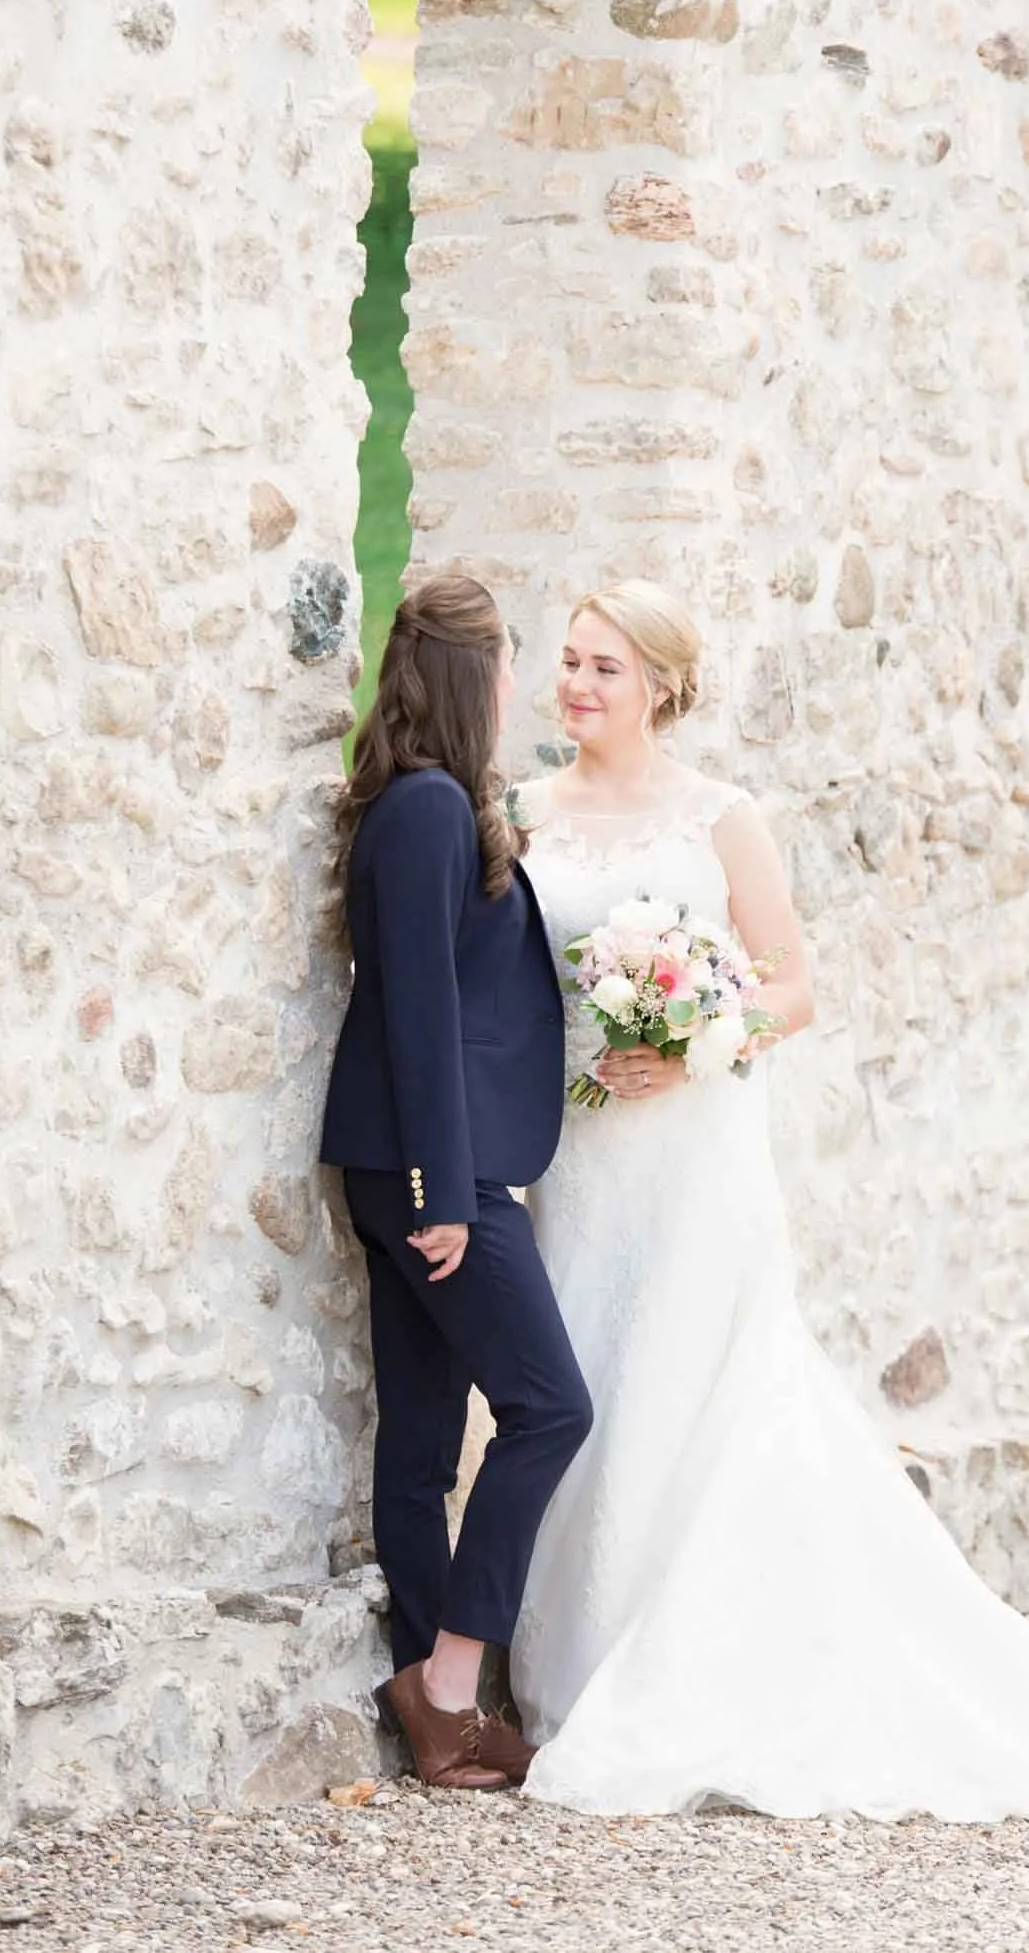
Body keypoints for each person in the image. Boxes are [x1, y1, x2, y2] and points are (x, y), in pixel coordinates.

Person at [508, 578, 1029, 1820]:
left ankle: (692, 1672)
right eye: (569, 661)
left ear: (657, 685)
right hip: (583, 1160)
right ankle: (573, 1666)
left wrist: (695, 1029)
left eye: (602, 667)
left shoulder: (720, 819)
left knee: (692, 1395)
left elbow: (793, 986)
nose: (575, 684)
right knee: (592, 1389)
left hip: (696, 1158)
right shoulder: (528, 813)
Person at [320, 573, 592, 1791]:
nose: (523, 687)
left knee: (427, 1438)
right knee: (548, 1407)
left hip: (400, 1158)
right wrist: (440, 1187)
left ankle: (433, 1698)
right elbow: (419, 1010)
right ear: (473, 677)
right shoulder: (429, 807)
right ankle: (447, 1681)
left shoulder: (417, 800)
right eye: (514, 665)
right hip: (435, 1167)